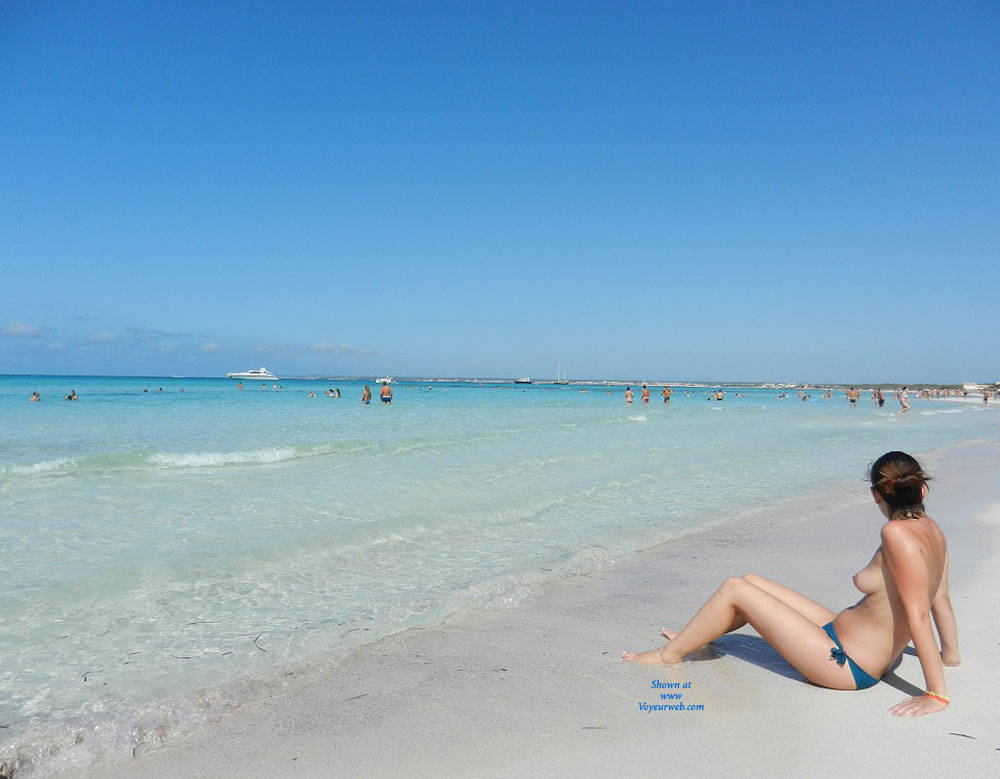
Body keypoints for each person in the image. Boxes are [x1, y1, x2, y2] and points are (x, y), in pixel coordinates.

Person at [623, 451, 959, 716]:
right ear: (922, 488)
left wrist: (936, 693)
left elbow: (918, 614)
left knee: (734, 589)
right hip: (844, 637)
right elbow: (940, 599)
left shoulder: (895, 533)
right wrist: (951, 655)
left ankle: (669, 656)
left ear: (876, 495)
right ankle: (693, 637)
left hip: (847, 664)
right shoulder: (934, 531)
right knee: (750, 581)